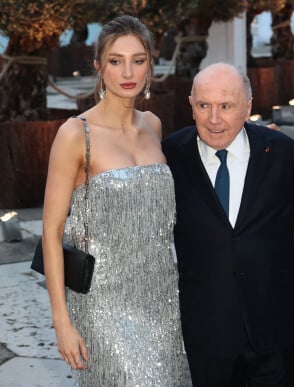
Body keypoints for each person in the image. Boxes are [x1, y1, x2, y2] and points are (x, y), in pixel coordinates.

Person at [41, 15, 184, 385]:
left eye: (138, 59)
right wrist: (62, 321)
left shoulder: (153, 125)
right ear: (98, 67)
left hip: (162, 299)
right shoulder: (75, 134)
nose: (128, 71)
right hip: (102, 304)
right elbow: (52, 230)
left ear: (150, 64)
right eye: (116, 61)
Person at [162, 62, 294, 386]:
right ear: (191, 105)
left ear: (247, 107)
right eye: (204, 105)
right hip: (208, 333)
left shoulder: (282, 152)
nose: (214, 118)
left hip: (277, 329)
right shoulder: (170, 155)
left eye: (226, 106)